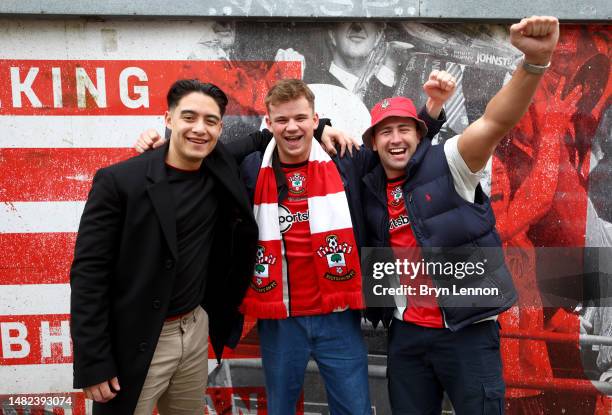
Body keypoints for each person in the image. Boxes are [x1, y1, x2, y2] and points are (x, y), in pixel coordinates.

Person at [135, 76, 449, 414]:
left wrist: (431, 111)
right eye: (282, 120)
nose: (292, 128)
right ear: (269, 124)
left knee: (354, 409)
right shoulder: (250, 169)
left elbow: (398, 149)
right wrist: (159, 150)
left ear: (315, 120)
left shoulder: (344, 159)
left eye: (301, 118)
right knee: (282, 409)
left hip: (338, 315)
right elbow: (200, 160)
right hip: (280, 317)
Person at [360, 15, 560, 414]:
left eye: (404, 129)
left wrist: (535, 63)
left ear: (421, 134)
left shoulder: (450, 161)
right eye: (385, 131)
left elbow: (495, 121)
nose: (395, 138)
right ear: (373, 142)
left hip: (466, 333)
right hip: (407, 337)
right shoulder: (369, 190)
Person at [70, 79, 260, 414]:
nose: (200, 129)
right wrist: (93, 361)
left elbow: (262, 137)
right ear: (168, 119)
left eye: (211, 121)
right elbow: (89, 274)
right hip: (137, 337)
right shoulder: (120, 182)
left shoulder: (219, 165)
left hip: (194, 328)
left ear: (219, 128)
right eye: (189, 117)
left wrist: (324, 130)